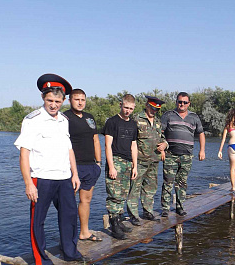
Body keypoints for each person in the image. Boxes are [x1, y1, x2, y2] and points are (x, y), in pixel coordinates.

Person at [14, 74, 83, 265]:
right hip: (41, 178)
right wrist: (28, 183)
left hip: (64, 177)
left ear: (63, 101)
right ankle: (41, 259)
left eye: (57, 101)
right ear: (43, 99)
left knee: (69, 216)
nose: (53, 105)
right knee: (38, 219)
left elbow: (69, 149)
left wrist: (75, 174)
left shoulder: (63, 120)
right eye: (49, 100)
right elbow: (24, 153)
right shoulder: (32, 120)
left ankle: (70, 252)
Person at [63, 88, 102, 242]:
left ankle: (84, 232)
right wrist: (71, 170)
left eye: (83, 100)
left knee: (86, 200)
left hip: (90, 166)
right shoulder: (64, 118)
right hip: (73, 167)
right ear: (69, 100)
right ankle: (68, 237)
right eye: (76, 99)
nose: (80, 102)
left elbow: (95, 140)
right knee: (69, 203)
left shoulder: (89, 118)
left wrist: (98, 163)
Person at [160, 92, 205, 217]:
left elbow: (201, 133)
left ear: (189, 104)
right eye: (180, 102)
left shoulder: (194, 117)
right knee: (168, 182)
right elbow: (160, 132)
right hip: (170, 155)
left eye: (185, 102)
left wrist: (202, 150)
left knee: (182, 182)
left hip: (186, 156)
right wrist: (162, 148)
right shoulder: (168, 115)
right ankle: (165, 208)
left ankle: (180, 207)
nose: (182, 104)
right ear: (176, 102)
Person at [126, 96, 168, 225]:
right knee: (134, 189)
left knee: (150, 188)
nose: (153, 111)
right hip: (139, 161)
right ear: (147, 105)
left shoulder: (157, 122)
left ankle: (148, 211)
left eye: (156, 109)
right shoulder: (136, 119)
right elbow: (130, 141)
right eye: (152, 108)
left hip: (154, 160)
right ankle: (133, 215)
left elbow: (162, 138)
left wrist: (165, 145)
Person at [104, 94, 138, 239]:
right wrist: (111, 166)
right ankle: (114, 225)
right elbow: (107, 145)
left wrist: (135, 166)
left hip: (128, 162)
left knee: (123, 194)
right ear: (120, 105)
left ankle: (119, 221)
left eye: (130, 109)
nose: (127, 111)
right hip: (116, 160)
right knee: (114, 195)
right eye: (125, 107)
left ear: (134, 108)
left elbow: (134, 145)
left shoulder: (133, 124)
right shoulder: (112, 122)